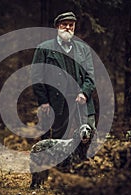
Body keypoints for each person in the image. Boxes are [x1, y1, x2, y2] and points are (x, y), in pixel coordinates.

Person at [31, 11, 96, 140]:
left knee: (89, 135)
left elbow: (90, 76)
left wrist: (84, 93)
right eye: (64, 24)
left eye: (71, 25)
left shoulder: (84, 49)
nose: (68, 27)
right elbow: (37, 78)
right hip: (57, 102)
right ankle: (56, 160)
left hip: (82, 100)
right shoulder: (44, 48)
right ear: (57, 27)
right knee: (57, 139)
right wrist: (44, 101)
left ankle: (87, 161)